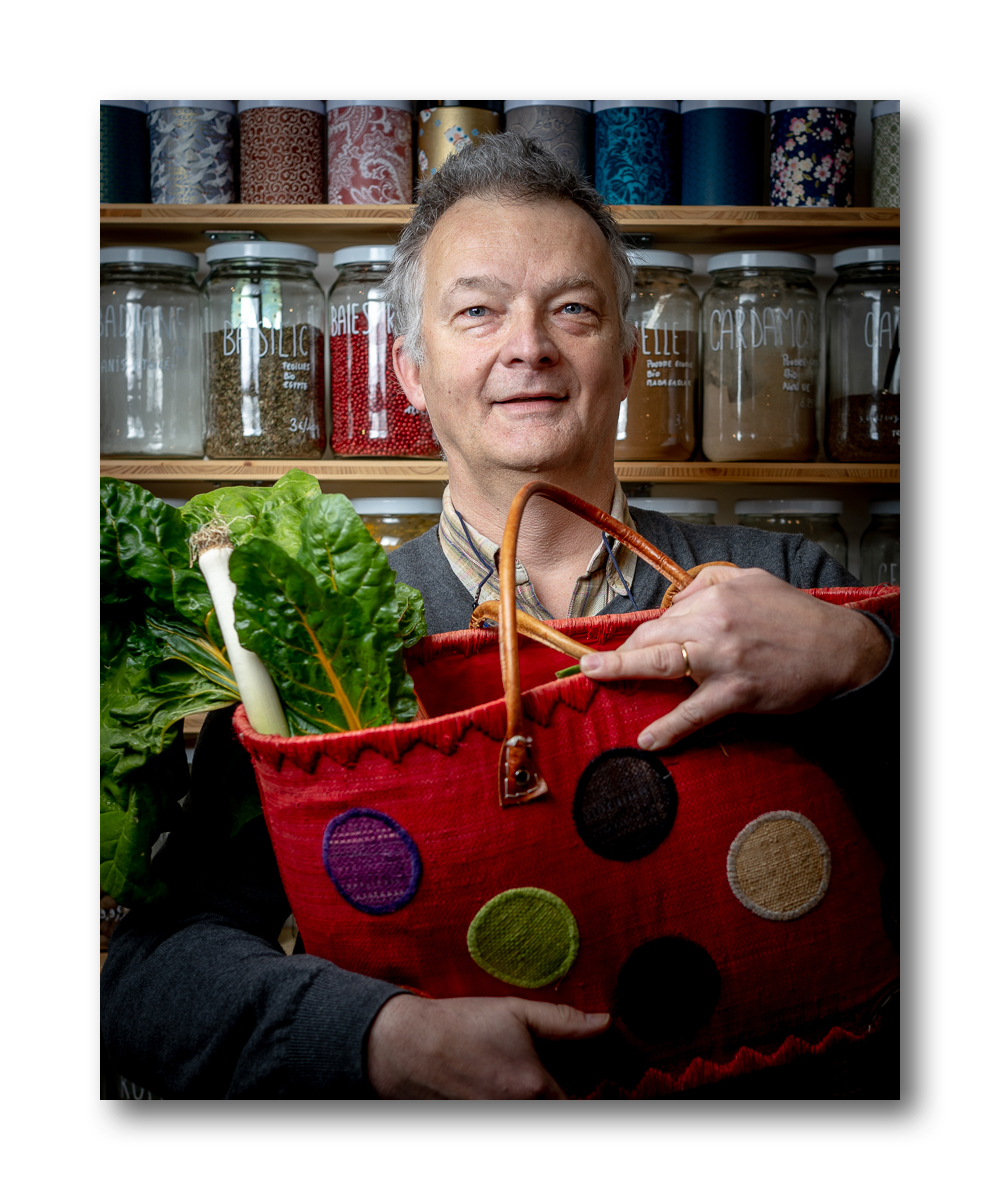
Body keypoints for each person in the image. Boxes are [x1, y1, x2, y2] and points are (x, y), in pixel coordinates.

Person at [101, 133, 898, 1100]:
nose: (529, 347)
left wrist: (868, 658)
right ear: (407, 370)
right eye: (478, 311)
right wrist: (380, 1039)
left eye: (574, 309)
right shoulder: (312, 644)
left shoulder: (788, 581)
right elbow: (150, 976)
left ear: (629, 360)